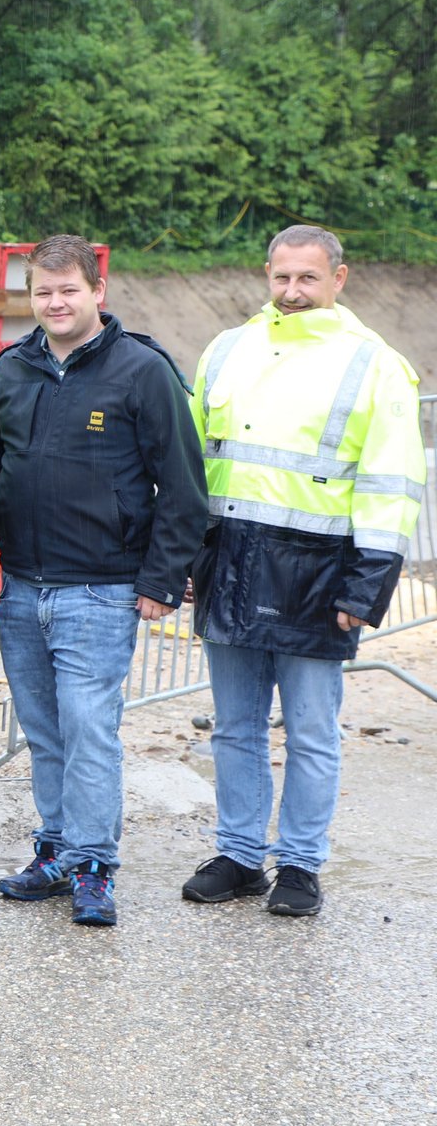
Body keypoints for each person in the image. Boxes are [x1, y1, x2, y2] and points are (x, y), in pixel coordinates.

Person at [0, 235, 207, 927]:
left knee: (91, 727)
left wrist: (162, 577)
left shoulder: (142, 371)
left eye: (69, 289)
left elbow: (183, 487)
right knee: (44, 729)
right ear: (30, 296)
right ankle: (58, 849)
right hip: (24, 587)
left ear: (99, 290)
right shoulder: (12, 371)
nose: (56, 302)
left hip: (101, 589)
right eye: (43, 291)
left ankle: (95, 864)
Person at [180, 226, 424, 917]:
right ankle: (237, 854)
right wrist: (186, 557)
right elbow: (196, 465)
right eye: (282, 276)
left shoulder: (375, 365)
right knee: (235, 726)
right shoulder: (227, 349)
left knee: (312, 731)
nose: (292, 290)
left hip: (320, 577)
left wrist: (365, 585)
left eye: (308, 278)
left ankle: (300, 865)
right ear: (267, 272)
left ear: (338, 278)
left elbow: (391, 482)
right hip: (230, 561)